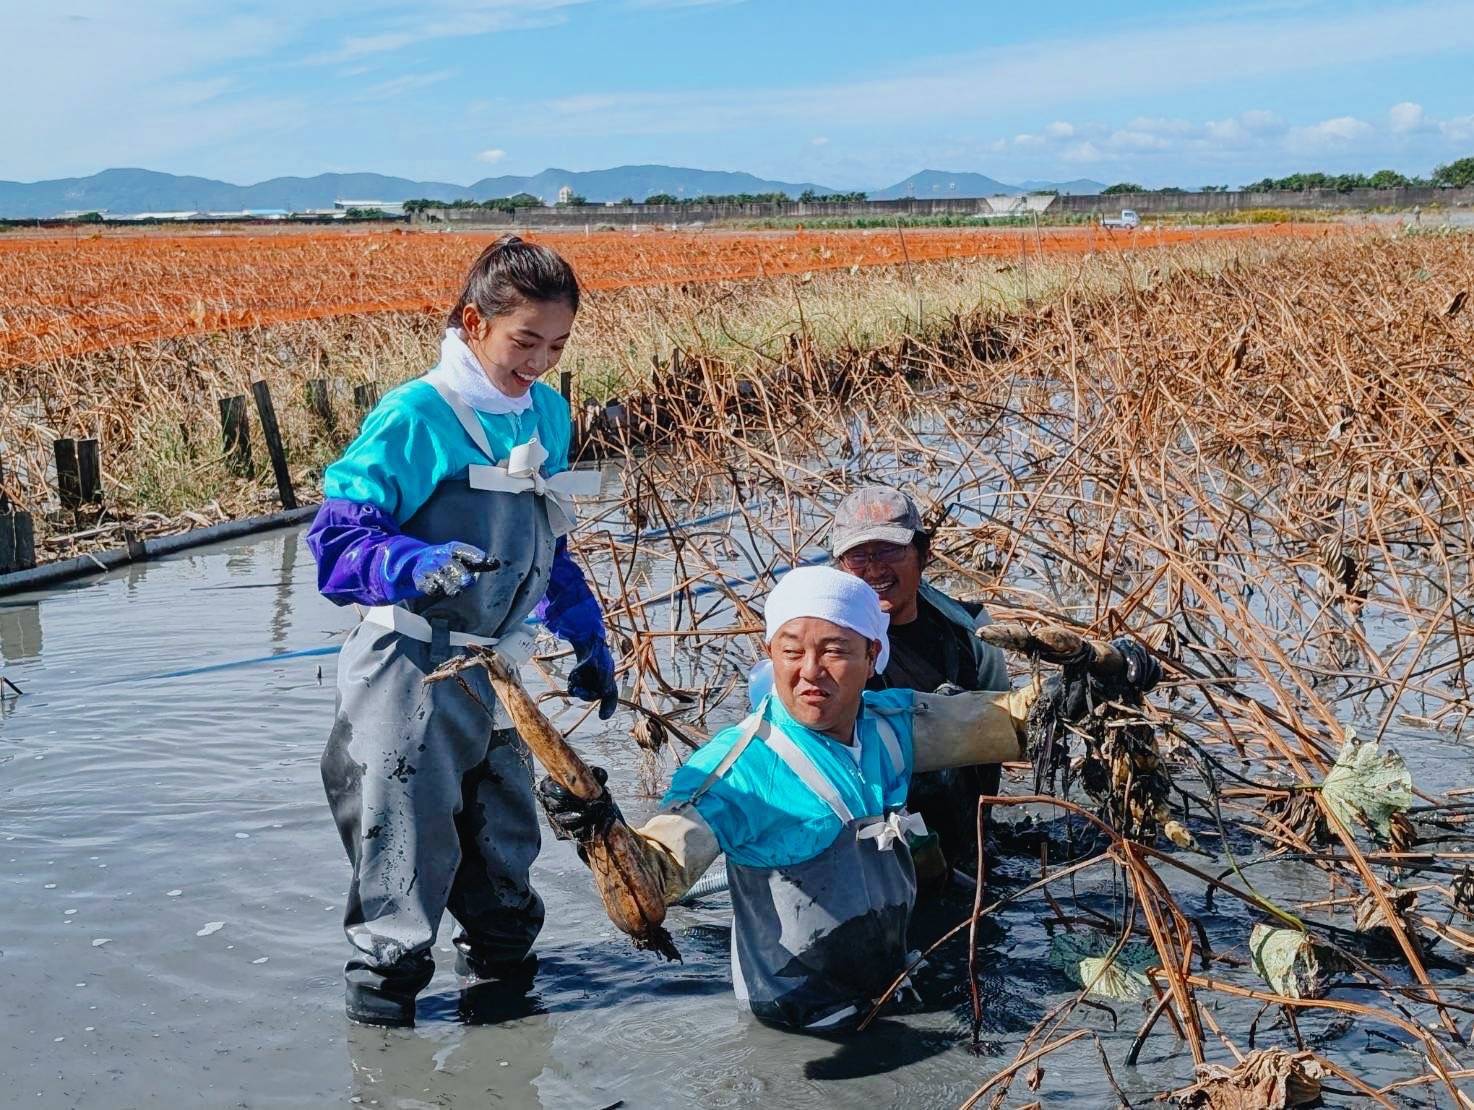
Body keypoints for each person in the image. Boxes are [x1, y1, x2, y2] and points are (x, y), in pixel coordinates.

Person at [306, 235, 618, 1028]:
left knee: (504, 854)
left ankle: (506, 1037)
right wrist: (410, 561)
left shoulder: (546, 412)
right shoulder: (418, 415)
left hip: (495, 671)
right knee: (400, 869)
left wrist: (582, 628)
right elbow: (336, 544)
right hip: (408, 667)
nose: (539, 363)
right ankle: (385, 1046)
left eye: (557, 346)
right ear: (475, 322)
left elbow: (547, 540)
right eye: (525, 341)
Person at [540, 566, 1041, 1033]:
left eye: (835, 650)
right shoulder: (740, 771)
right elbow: (655, 876)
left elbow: (1013, 723)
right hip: (801, 1023)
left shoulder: (889, 727)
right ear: (771, 654)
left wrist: (1079, 674)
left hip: (891, 984)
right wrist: (596, 826)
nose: (811, 671)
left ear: (872, 656)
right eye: (792, 651)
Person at [828, 485, 1008, 882]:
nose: (875, 570)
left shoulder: (972, 632)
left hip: (962, 849)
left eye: (890, 551)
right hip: (867, 857)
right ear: (840, 565)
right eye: (859, 556)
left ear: (924, 553)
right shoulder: (823, 644)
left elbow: (1001, 739)